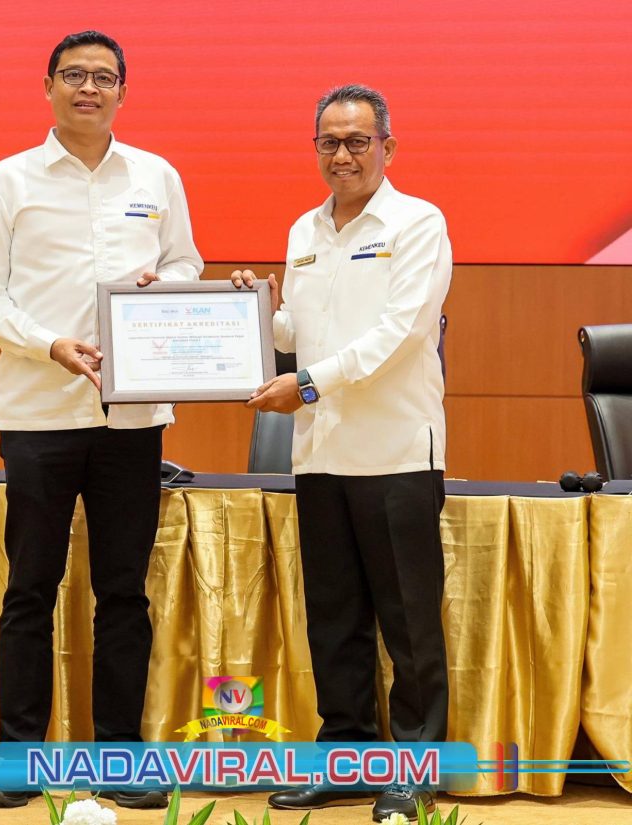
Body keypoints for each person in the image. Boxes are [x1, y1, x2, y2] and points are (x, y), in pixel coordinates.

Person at [0, 30, 202, 810]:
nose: (88, 88)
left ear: (124, 91)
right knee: (30, 588)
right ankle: (19, 758)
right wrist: (49, 344)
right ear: (48, 86)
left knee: (123, 591)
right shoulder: (7, 181)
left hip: (132, 417)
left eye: (103, 76)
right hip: (37, 412)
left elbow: (188, 263)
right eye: (74, 75)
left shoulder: (157, 176)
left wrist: (162, 289)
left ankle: (119, 758)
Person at [232, 84, 451, 822]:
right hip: (321, 453)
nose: (343, 155)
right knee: (334, 619)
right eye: (329, 142)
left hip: (395, 452)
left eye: (358, 141)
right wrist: (256, 307)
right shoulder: (306, 228)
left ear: (388, 146)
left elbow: (400, 332)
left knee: (409, 622)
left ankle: (413, 771)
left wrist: (307, 384)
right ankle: (347, 760)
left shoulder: (418, 223)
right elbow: (299, 331)